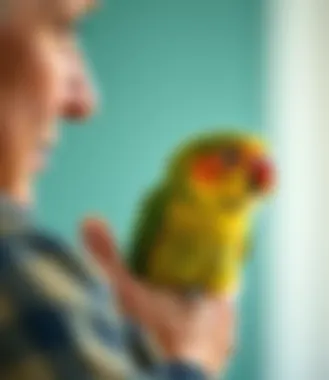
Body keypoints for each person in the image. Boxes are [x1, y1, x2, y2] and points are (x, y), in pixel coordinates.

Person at [0, 1, 234, 379]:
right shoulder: (14, 262)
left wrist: (128, 340)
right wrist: (192, 357)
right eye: (61, 30)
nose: (85, 102)